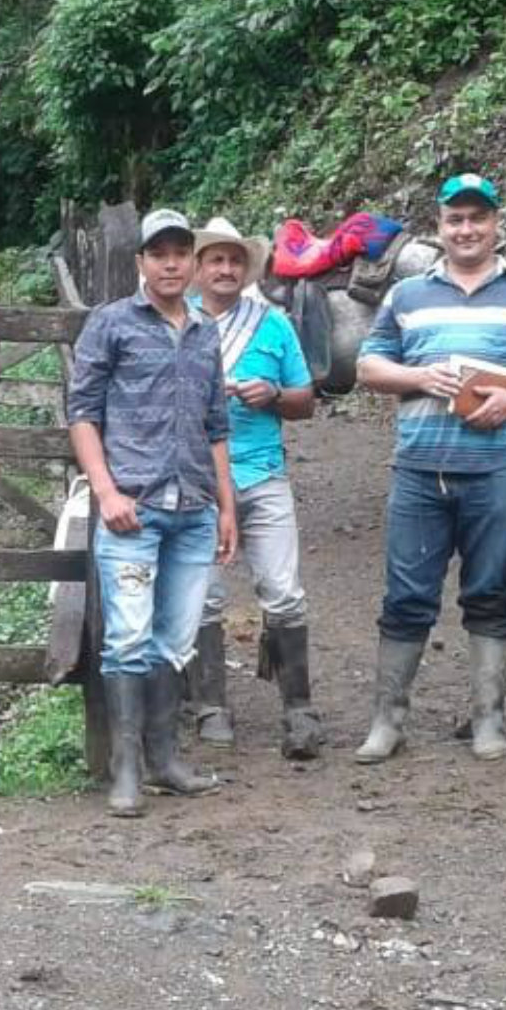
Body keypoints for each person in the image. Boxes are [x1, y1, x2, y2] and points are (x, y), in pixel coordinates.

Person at [354, 172, 506, 763]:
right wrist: (418, 376)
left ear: (496, 225)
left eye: (477, 218)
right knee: (406, 594)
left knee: (490, 590)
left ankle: (489, 719)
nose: (466, 229)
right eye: (456, 218)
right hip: (418, 466)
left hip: (497, 466)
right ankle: (387, 721)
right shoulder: (406, 295)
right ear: (440, 225)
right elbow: (368, 366)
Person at [67, 208, 241, 816]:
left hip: (193, 508)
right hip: (132, 509)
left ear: (193, 263)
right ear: (140, 262)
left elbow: (216, 424)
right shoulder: (110, 324)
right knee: (128, 639)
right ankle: (126, 768)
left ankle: (166, 759)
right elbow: (82, 413)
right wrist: (106, 491)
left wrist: (227, 506)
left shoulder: (204, 333)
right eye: (158, 253)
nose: (170, 263)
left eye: (179, 253)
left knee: (175, 640)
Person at [182, 216, 322, 760]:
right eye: (215, 259)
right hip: (193, 476)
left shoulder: (273, 324)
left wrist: (273, 395)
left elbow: (306, 401)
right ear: (197, 269)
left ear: (247, 268)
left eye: (235, 260)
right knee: (204, 594)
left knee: (283, 590)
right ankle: (211, 705)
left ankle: (299, 709)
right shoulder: (176, 322)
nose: (225, 269)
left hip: (262, 471)